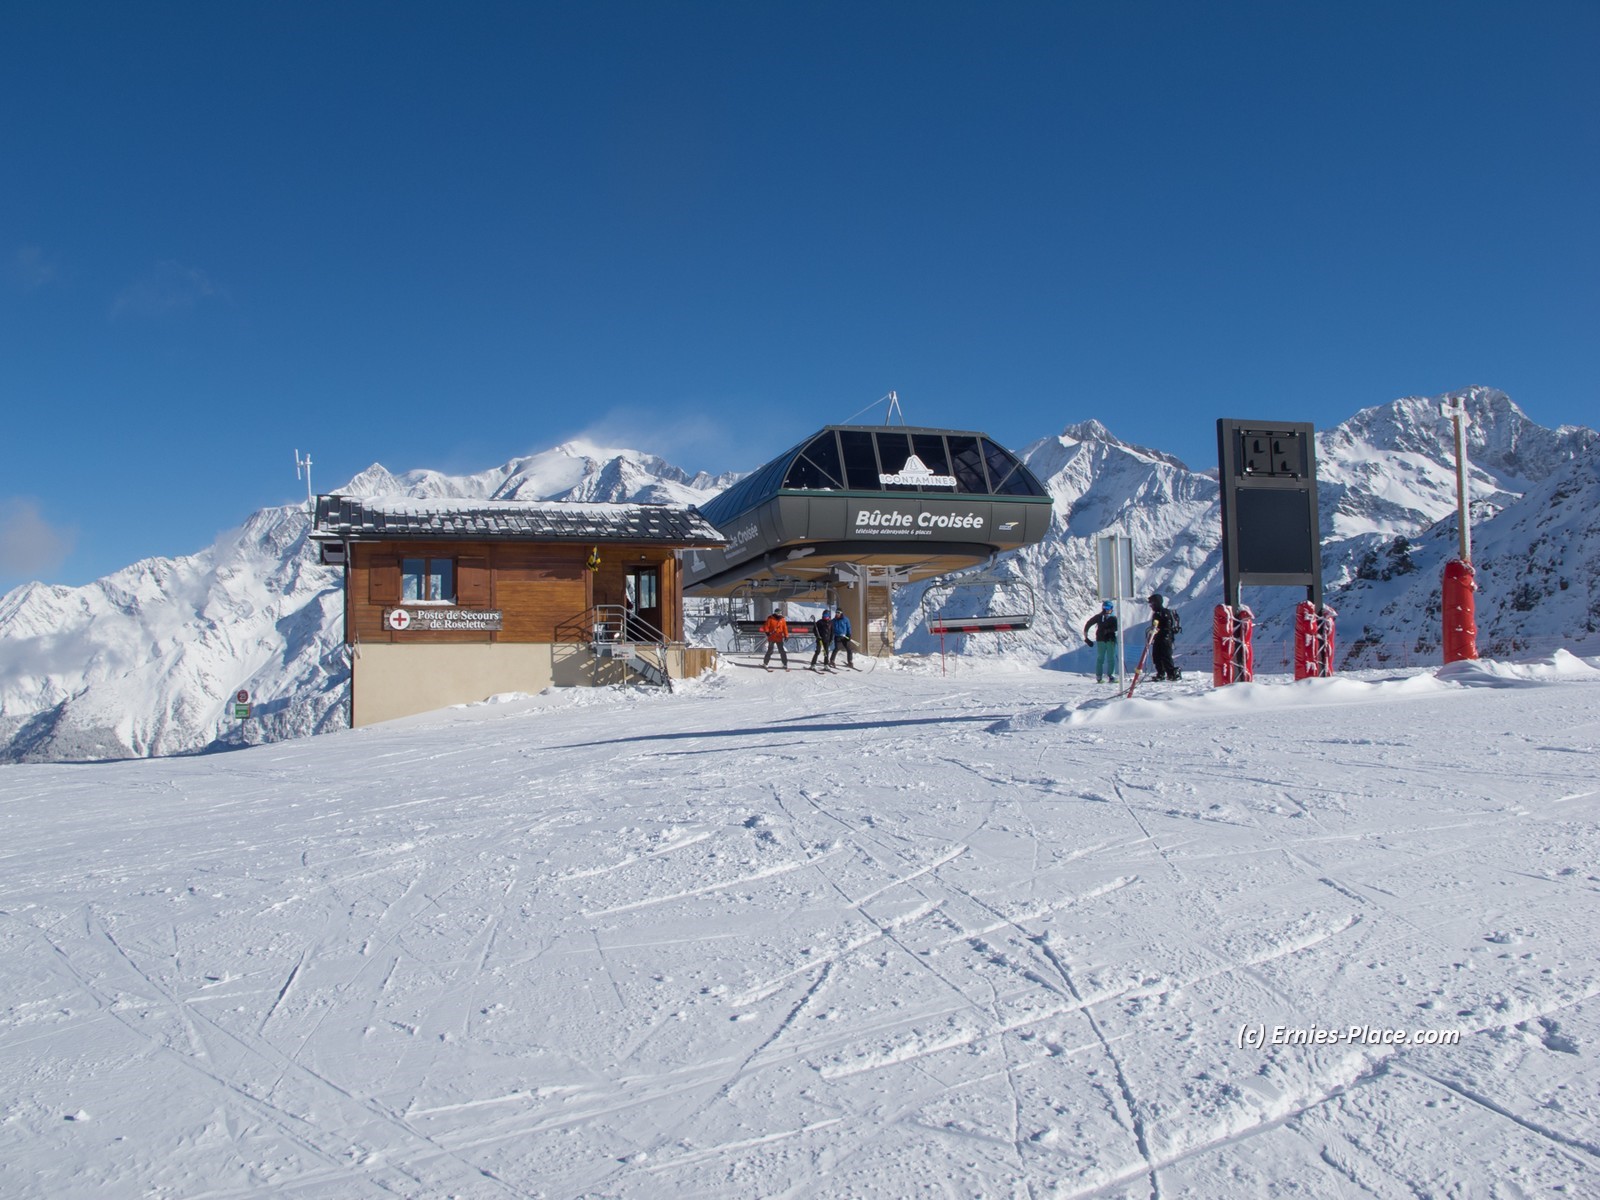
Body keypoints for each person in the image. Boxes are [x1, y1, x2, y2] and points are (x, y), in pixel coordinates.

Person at [1148, 592, 1182, 681]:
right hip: (1159, 637)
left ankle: (1172, 673)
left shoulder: (1163, 613)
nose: (1151, 605)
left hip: (1165, 637)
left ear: (1157, 602)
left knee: (1166, 655)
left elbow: (1167, 626)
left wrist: (1158, 630)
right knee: (1156, 655)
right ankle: (1161, 673)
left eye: (1152, 603)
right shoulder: (1157, 613)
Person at [1083, 600, 1119, 683]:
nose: (1106, 609)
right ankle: (1099, 676)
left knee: (1110, 658)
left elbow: (1116, 628)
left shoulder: (1113, 618)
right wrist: (1086, 633)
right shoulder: (1099, 617)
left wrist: (1108, 630)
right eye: (1105, 607)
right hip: (1101, 640)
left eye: (1108, 607)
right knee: (1101, 658)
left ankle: (1111, 676)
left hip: (1110, 640)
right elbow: (1089, 623)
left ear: (1111, 608)